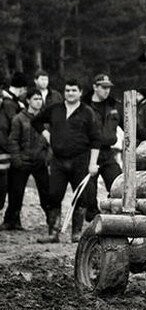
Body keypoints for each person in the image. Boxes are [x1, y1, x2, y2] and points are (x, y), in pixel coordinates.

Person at [31, 79, 100, 242]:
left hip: (80, 160)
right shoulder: (55, 109)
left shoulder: (87, 112)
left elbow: (96, 139)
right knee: (54, 195)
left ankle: (76, 233)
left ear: (80, 92)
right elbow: (36, 121)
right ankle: (53, 233)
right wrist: (47, 135)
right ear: (64, 92)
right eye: (67, 90)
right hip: (58, 161)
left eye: (74, 90)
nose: (70, 93)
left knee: (81, 197)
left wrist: (92, 163)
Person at [3, 89, 51, 236]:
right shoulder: (19, 118)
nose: (38, 101)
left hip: (40, 161)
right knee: (16, 192)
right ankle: (12, 221)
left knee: (46, 192)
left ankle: (52, 221)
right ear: (28, 101)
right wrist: (16, 159)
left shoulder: (46, 119)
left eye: (40, 99)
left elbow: (52, 141)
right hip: (22, 161)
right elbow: (13, 140)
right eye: (35, 99)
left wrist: (47, 159)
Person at [83, 73, 123, 222]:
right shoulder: (83, 106)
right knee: (88, 193)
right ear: (95, 87)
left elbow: (131, 125)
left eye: (108, 88)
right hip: (88, 153)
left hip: (107, 153)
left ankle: (113, 216)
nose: (107, 91)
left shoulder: (114, 106)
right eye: (103, 87)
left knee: (118, 184)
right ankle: (92, 219)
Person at [0, 72, 28, 223]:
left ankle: (12, 218)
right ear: (22, 88)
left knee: (11, 186)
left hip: (8, 149)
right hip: (8, 150)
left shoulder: (11, 101)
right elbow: (14, 125)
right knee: (8, 186)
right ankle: (11, 219)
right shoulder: (10, 104)